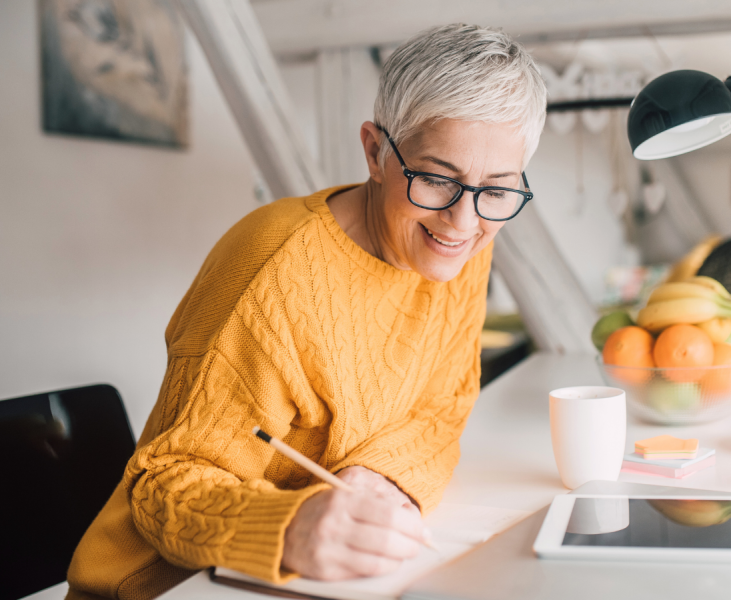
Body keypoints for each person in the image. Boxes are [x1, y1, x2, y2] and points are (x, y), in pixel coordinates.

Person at [66, 23, 546, 600]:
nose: (463, 222)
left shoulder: (460, 246)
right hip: (168, 586)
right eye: (436, 179)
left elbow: (443, 407)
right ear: (375, 151)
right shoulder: (274, 274)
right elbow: (160, 486)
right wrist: (288, 528)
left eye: (496, 189)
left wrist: (378, 474)